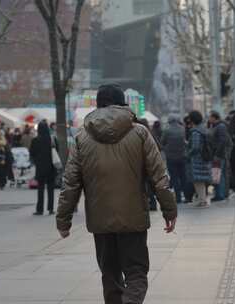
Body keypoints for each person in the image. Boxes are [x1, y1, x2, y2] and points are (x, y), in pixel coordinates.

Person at [56, 83, 177, 304]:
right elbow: (159, 177)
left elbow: (70, 182)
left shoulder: (82, 137)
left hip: (100, 219)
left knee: (109, 274)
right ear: (124, 104)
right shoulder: (140, 133)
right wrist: (170, 210)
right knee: (137, 271)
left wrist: (63, 220)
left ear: (98, 104)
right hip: (133, 217)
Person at [30, 121, 58, 216]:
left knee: (40, 188)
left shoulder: (35, 140)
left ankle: (39, 209)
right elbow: (56, 151)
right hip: (51, 167)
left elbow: (32, 153)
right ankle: (50, 209)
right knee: (50, 188)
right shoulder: (52, 139)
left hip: (40, 167)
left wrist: (37, 161)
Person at [187, 110, 212, 207]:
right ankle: (202, 199)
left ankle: (202, 200)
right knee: (200, 180)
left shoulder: (195, 132)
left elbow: (196, 147)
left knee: (198, 180)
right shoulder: (204, 129)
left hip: (197, 159)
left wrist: (188, 154)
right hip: (204, 157)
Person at [161, 114, 186, 204]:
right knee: (183, 177)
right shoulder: (182, 129)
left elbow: (162, 141)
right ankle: (187, 196)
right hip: (182, 156)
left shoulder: (166, 130)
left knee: (174, 177)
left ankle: (178, 198)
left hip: (171, 157)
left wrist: (166, 149)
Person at [208, 111, 232, 201]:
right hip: (217, 154)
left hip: (218, 155)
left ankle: (220, 194)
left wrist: (217, 154)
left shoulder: (220, 127)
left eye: (210, 117)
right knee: (218, 174)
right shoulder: (216, 126)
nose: (209, 119)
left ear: (214, 117)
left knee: (218, 175)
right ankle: (220, 193)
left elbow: (222, 141)